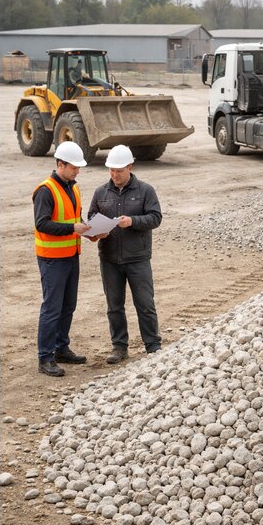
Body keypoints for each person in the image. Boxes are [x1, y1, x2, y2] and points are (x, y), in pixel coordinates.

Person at [88, 145, 163, 363]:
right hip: (109, 259)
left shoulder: (145, 191)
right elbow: (92, 215)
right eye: (111, 170)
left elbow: (155, 217)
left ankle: (153, 346)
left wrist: (132, 221)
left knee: (145, 303)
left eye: (118, 170)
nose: (114, 174)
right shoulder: (101, 192)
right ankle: (119, 347)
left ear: (130, 167)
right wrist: (96, 231)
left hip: (137, 258)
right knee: (114, 306)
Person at [33, 141, 91, 377]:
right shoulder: (45, 190)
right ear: (60, 164)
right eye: (74, 167)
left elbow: (74, 219)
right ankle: (45, 357)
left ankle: (61, 348)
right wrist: (72, 228)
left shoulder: (73, 187)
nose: (77, 170)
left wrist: (89, 231)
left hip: (70, 256)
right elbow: (42, 223)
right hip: (52, 259)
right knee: (52, 308)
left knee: (68, 305)